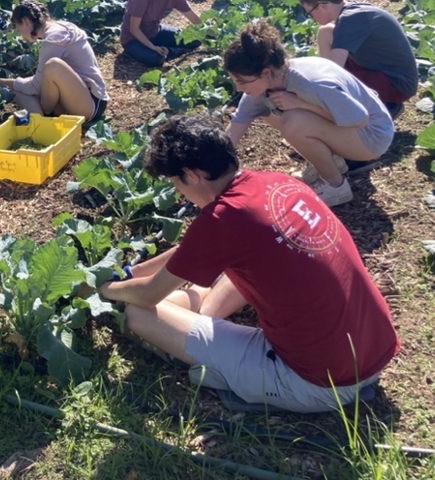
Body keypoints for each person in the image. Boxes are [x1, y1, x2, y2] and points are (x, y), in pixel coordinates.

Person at [100, 114, 400, 414]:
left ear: (192, 175)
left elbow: (147, 295)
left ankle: (238, 372)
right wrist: (134, 273)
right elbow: (196, 246)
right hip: (373, 351)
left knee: (139, 314)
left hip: (319, 382)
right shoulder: (274, 183)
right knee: (245, 263)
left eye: (176, 183)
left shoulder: (223, 219)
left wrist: (105, 287)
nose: (180, 194)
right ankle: (203, 320)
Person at [224, 20, 394, 207]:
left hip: (373, 136)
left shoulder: (311, 84)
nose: (239, 88)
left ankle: (336, 187)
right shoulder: (271, 80)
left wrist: (301, 104)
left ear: (265, 73)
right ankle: (332, 163)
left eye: (242, 81)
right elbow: (240, 121)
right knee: (266, 111)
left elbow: (360, 119)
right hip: (350, 129)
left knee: (295, 123)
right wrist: (214, 161)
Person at [300, 0, 417, 120]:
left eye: (310, 12)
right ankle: (378, 102)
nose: (311, 17)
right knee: (325, 32)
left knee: (337, 83)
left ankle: (384, 107)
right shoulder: (352, 10)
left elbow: (333, 71)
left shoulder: (349, 20)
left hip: (398, 84)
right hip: (391, 73)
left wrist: (310, 95)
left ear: (322, 6)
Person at [0, 0, 108, 122]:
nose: (21, 36)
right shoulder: (63, 26)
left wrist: (6, 83)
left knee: (52, 67)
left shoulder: (53, 39)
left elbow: (36, 86)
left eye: (19, 29)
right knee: (26, 88)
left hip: (89, 104)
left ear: (26, 22)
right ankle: (40, 116)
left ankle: (45, 115)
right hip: (88, 98)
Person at [119, 0, 201, 66]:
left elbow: (192, 17)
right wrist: (153, 47)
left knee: (195, 39)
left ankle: (168, 50)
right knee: (157, 59)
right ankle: (170, 51)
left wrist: (210, 32)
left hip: (155, 32)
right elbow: (134, 29)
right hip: (133, 40)